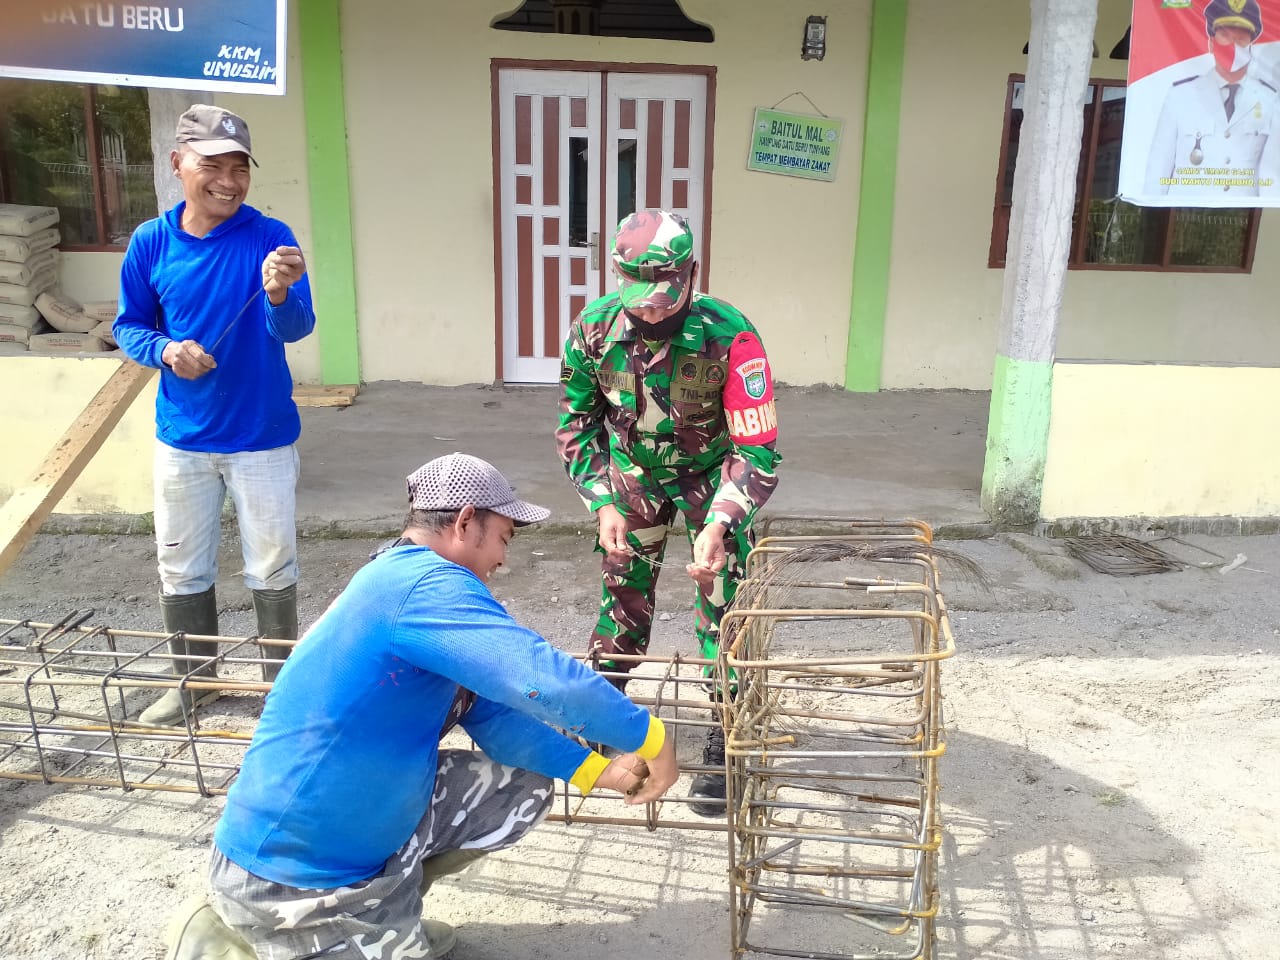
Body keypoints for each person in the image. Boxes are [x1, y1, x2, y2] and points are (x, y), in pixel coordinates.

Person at [160, 452, 679, 959]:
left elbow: (496, 717)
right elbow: (541, 678)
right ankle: (232, 939)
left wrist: (602, 773)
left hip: (344, 833)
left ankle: (390, 913)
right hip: (289, 875)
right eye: (503, 537)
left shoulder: (408, 581)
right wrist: (650, 737)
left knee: (517, 787)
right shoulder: (424, 587)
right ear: (465, 521)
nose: (503, 557)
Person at [555, 209, 781, 817]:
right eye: (640, 300)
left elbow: (756, 449)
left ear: (691, 273)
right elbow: (578, 427)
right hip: (632, 475)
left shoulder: (730, 334)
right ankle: (607, 721)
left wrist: (721, 522)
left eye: (663, 298)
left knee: (724, 605)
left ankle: (725, 736)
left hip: (713, 476)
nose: (651, 313)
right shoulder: (595, 328)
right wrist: (602, 500)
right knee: (622, 597)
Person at [113, 104, 316, 726]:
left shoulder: (270, 238)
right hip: (183, 437)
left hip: (261, 437)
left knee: (272, 563)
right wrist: (168, 351)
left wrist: (280, 292)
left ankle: (277, 688)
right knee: (180, 563)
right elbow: (129, 326)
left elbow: (297, 327)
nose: (228, 180)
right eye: (212, 165)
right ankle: (194, 681)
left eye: (239, 167)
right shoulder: (151, 241)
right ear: (178, 165)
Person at [1144, 0, 1280, 198]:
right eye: (1225, 36)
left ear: (1251, 46)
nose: (1233, 45)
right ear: (1210, 43)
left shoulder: (1270, 99)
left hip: (1241, 219)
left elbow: (1271, 176)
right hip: (1183, 214)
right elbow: (1159, 168)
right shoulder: (1181, 95)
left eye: (1241, 38)